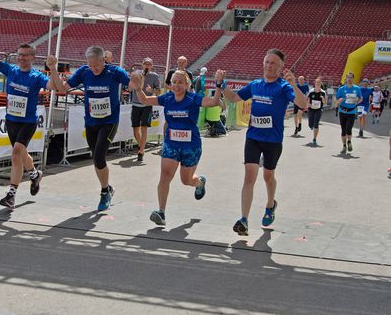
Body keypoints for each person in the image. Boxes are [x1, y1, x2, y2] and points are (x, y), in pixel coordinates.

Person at [220, 49, 308, 236]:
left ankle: (270, 205)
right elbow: (234, 98)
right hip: (253, 137)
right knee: (249, 175)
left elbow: (303, 104)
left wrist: (295, 85)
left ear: (280, 67)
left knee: (268, 176)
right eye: (267, 62)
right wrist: (221, 84)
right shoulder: (255, 85)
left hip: (273, 140)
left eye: (273, 63)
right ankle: (243, 219)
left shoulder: (284, 87)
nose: (268, 66)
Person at [0, 23, 61, 210]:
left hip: (28, 122)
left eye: (26, 55)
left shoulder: (36, 76)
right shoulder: (11, 70)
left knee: (16, 154)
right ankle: (34, 174)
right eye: (20, 55)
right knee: (22, 154)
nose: (22, 58)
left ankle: (11, 194)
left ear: (33, 58)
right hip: (11, 120)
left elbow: (55, 86)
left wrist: (53, 68)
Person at [130, 69, 224, 226]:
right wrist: (138, 88)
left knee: (186, 180)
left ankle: (199, 182)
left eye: (180, 82)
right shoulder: (167, 98)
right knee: (165, 176)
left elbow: (213, 102)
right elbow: (145, 100)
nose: (177, 85)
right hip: (171, 144)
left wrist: (219, 85)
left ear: (187, 85)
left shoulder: (193, 98)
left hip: (191, 146)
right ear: (170, 85)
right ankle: (161, 212)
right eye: (174, 82)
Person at [48, 46, 135, 211]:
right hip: (91, 122)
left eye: (97, 65)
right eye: (91, 65)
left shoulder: (114, 72)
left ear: (104, 60)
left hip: (109, 122)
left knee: (100, 157)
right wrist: (53, 69)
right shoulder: (84, 72)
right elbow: (62, 88)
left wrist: (137, 81)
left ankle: (104, 192)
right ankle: (107, 187)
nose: (94, 69)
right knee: (96, 158)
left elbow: (131, 85)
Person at [130, 57, 161, 162]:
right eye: (145, 64)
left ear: (152, 66)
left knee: (144, 128)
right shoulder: (136, 74)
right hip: (135, 104)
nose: (147, 66)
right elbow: (129, 88)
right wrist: (135, 84)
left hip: (147, 105)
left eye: (149, 64)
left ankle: (141, 151)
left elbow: (159, 92)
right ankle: (141, 145)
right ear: (142, 64)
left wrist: (151, 90)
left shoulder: (154, 76)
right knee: (135, 130)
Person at [336, 72, 363, 154]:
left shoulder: (357, 88)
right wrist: (338, 101)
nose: (349, 79)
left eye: (351, 77)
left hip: (351, 111)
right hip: (342, 111)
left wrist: (357, 101)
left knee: (349, 129)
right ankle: (344, 146)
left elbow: (361, 98)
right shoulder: (341, 89)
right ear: (346, 78)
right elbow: (336, 101)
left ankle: (349, 142)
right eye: (348, 77)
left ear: (353, 79)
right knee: (343, 130)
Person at [307, 77, 326, 146]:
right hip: (311, 109)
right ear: (314, 83)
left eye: (319, 83)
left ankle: (314, 139)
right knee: (310, 124)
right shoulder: (311, 91)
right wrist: (308, 104)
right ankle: (311, 126)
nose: (317, 84)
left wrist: (322, 98)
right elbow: (307, 99)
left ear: (321, 84)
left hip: (319, 109)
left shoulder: (323, 92)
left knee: (316, 124)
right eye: (316, 83)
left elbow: (324, 102)